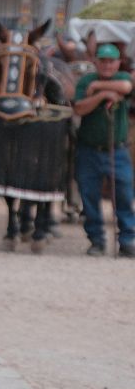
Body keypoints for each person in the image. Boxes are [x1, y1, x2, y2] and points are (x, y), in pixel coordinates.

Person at [73, 42, 134, 257]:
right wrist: (101, 97)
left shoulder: (124, 78)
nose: (107, 65)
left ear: (118, 63)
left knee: (125, 194)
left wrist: (98, 89)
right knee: (89, 196)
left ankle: (127, 239)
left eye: (111, 61)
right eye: (103, 61)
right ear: (95, 62)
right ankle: (97, 240)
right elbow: (79, 107)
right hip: (89, 149)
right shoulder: (84, 81)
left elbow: (126, 89)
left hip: (117, 150)